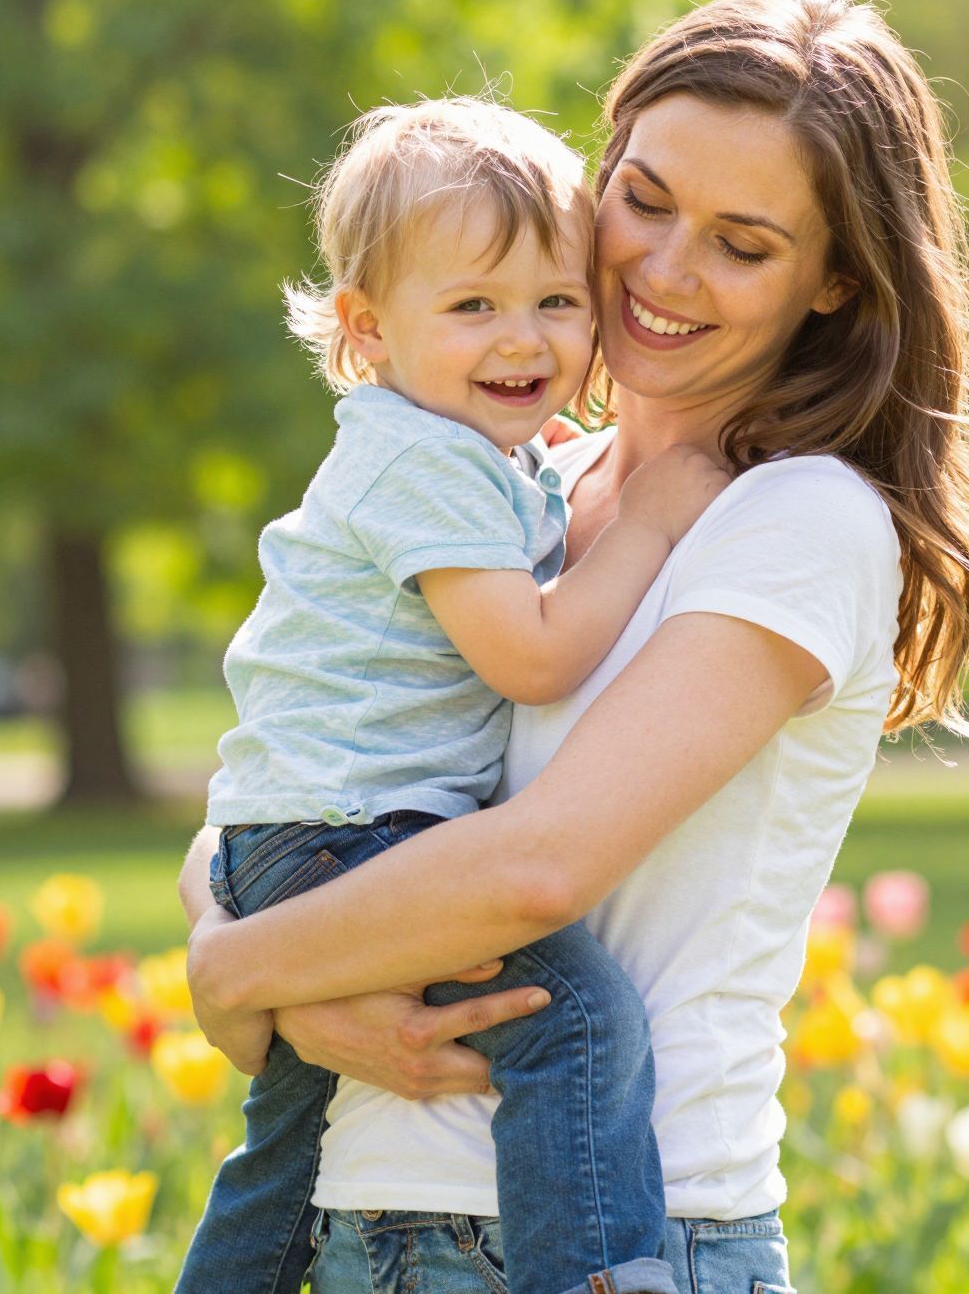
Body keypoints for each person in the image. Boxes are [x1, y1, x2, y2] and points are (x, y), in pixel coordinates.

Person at [182, 0, 969, 1294]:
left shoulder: (794, 519)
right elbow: (295, 777)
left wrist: (240, 968)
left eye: (744, 245)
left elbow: (537, 871)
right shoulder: (513, 484)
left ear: (834, 282)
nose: (663, 269)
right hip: (376, 1222)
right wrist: (254, 958)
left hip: (621, 1236)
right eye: (645, 199)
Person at [177, 96, 727, 1294]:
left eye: (555, 302)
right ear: (367, 329)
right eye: (472, 306)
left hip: (298, 829)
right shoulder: (422, 463)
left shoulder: (468, 454)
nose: (521, 341)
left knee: (287, 1139)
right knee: (574, 1022)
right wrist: (644, 523)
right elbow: (530, 658)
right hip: (348, 834)